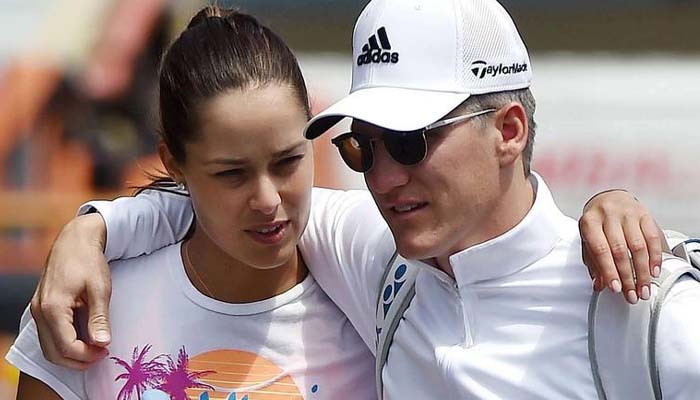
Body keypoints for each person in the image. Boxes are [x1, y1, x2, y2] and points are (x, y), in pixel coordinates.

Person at [21, 0, 695, 398]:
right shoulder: (379, 254)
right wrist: (92, 230)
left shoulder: (648, 304)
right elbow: (220, 208)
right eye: (361, 148)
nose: (383, 178)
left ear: (509, 131)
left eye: (409, 142)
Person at [6, 7, 375, 399]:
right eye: (232, 173)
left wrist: (92, 228)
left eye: (288, 162)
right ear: (173, 164)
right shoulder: (89, 307)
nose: (267, 200)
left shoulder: (370, 299)